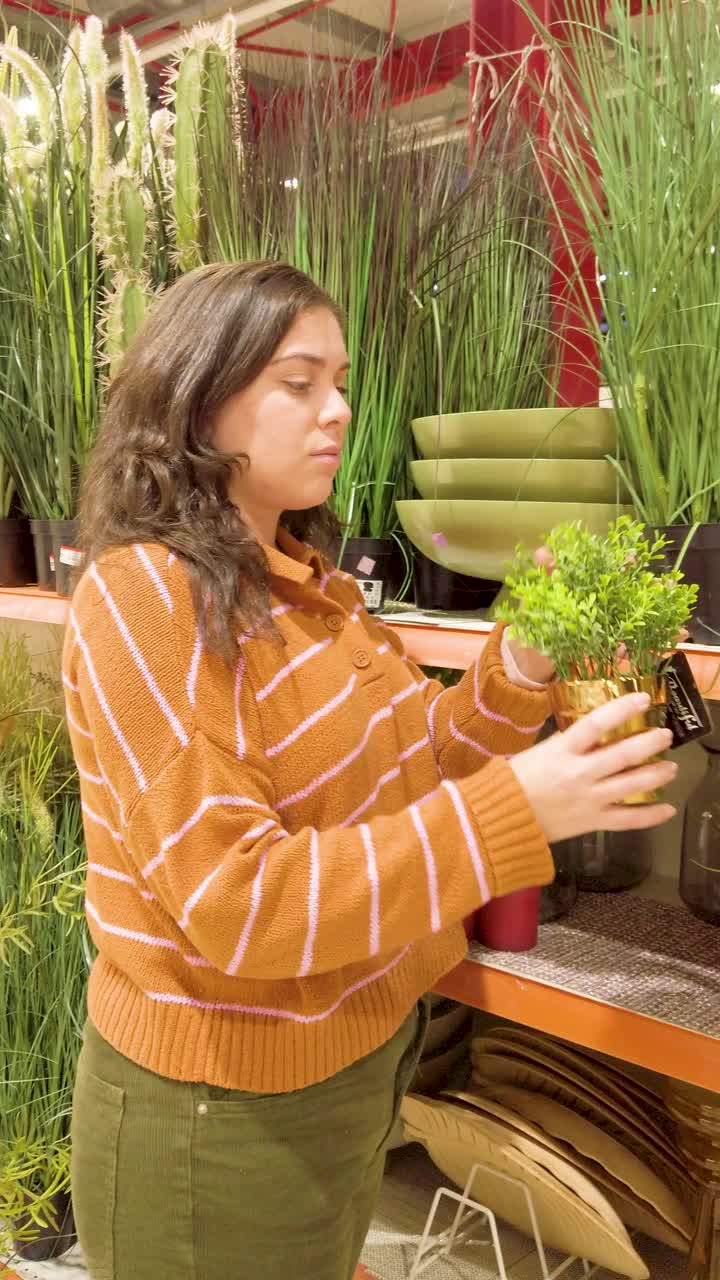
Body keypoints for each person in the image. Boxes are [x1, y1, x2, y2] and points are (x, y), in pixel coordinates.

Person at [62, 261, 677, 1280]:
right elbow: (238, 902)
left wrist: (518, 660)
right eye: (298, 381)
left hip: (350, 1073)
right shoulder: (144, 600)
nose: (338, 409)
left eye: (339, 380)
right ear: (197, 392)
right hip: (219, 1122)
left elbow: (419, 766)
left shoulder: (308, 585)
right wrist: (515, 807)